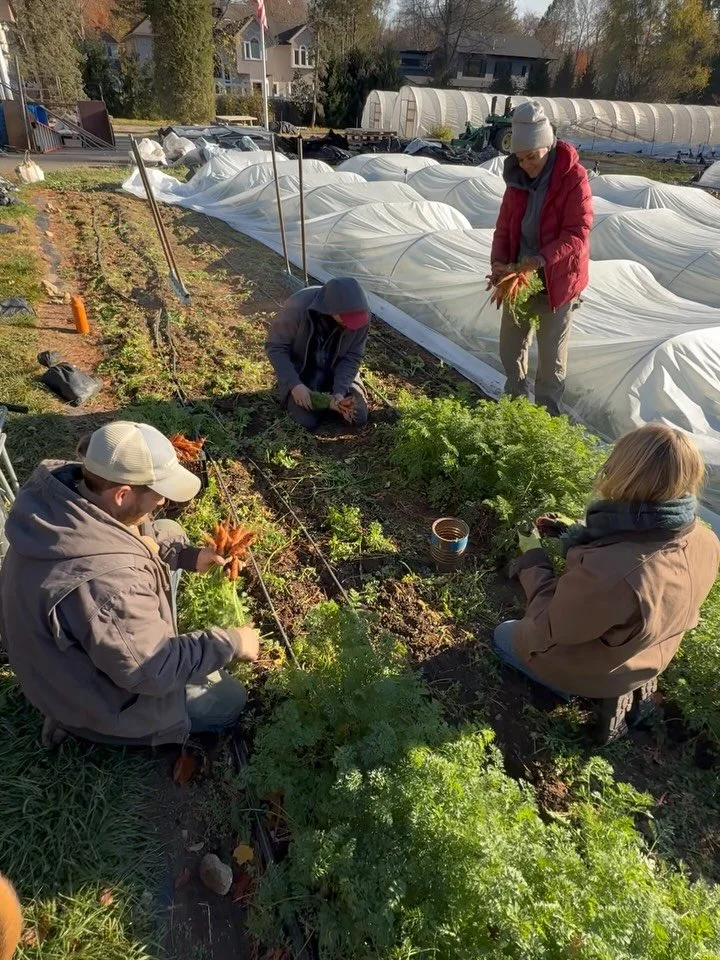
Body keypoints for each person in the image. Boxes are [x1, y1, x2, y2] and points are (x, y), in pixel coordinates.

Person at [0, 421, 261, 748]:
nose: (163, 501)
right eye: (157, 493)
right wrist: (233, 642)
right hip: (91, 700)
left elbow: (134, 536)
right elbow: (153, 669)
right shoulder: (111, 587)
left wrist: (188, 557)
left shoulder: (66, 493)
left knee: (168, 530)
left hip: (54, 666)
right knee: (228, 700)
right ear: (122, 494)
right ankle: (80, 727)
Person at [493, 424, 720, 737]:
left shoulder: (615, 572)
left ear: (624, 475)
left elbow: (551, 626)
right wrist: (577, 533)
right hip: (650, 654)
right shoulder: (707, 540)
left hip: (600, 664)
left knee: (505, 636)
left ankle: (581, 689)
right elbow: (637, 548)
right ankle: (626, 684)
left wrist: (532, 558)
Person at [490, 100, 593, 415]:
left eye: (531, 157)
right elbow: (504, 229)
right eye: (520, 158)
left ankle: (547, 420)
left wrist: (539, 260)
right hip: (520, 278)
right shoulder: (516, 181)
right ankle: (516, 411)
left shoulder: (573, 178)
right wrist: (499, 263)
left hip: (558, 282)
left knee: (550, 362)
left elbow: (578, 231)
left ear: (547, 146)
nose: (525, 165)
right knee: (510, 350)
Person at [265, 276, 370, 431]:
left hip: (337, 372)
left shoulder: (361, 316)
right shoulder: (298, 306)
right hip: (302, 372)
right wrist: (295, 385)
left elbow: (352, 357)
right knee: (305, 421)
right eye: (346, 318)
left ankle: (333, 401)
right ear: (331, 309)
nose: (350, 324)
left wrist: (340, 392)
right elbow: (276, 347)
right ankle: (308, 397)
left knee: (358, 415)